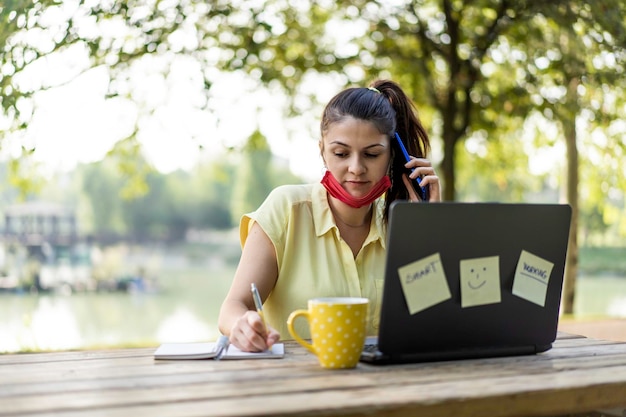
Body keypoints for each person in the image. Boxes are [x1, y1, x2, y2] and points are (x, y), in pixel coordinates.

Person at [218, 79, 441, 352]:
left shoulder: (405, 224)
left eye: (372, 154)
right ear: (322, 151)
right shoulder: (285, 209)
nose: (356, 168)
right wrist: (242, 324)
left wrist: (428, 228)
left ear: (392, 157)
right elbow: (233, 307)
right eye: (341, 153)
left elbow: (433, 321)